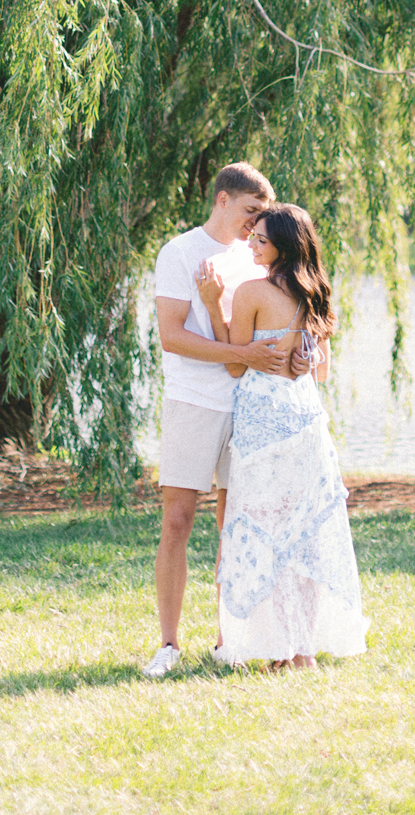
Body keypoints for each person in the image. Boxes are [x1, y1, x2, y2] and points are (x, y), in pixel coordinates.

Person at [141, 162, 309, 680]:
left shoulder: (258, 256)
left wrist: (292, 357)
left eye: (263, 216)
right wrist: (242, 356)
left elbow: (281, 321)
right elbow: (172, 336)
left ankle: (227, 639)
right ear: (222, 200)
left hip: (250, 407)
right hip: (194, 401)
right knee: (177, 521)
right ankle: (168, 644)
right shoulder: (181, 253)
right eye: (251, 211)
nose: (257, 223)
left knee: (236, 527)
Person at [200, 203, 369, 669]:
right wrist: (299, 360)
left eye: (260, 240)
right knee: (304, 531)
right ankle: (303, 651)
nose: (251, 245)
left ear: (283, 248)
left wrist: (215, 305)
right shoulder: (316, 294)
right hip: (305, 418)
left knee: (265, 531)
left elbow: (235, 362)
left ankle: (278, 650)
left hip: (262, 423)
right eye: (251, 236)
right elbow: (323, 369)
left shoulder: (253, 292)